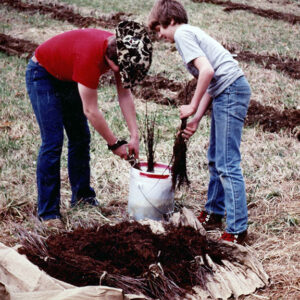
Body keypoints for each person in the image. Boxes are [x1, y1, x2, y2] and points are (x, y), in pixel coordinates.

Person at [25, 21, 152, 229]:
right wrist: (114, 144)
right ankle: (48, 213)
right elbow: (91, 111)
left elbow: (125, 94)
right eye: (119, 70)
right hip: (43, 74)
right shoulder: (89, 59)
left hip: (68, 74)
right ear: (111, 62)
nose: (120, 73)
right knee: (53, 141)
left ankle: (83, 197)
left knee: (81, 137)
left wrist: (134, 136)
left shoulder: (121, 47)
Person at [148, 0, 251, 244]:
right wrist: (195, 119)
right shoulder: (189, 34)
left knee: (227, 162)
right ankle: (214, 212)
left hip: (232, 91)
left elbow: (207, 72)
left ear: (171, 21)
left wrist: (192, 106)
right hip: (225, 91)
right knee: (216, 157)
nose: (159, 35)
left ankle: (237, 229)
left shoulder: (183, 34)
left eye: (159, 29)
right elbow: (212, 82)